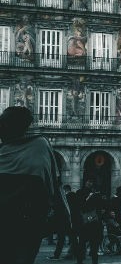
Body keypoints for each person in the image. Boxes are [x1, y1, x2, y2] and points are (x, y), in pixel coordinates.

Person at [0, 105, 70, 264]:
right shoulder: (40, 146)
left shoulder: (39, 146)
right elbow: (54, 182)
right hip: (30, 222)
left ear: (8, 125)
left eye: (2, 122)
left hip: (24, 221)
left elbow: (50, 183)